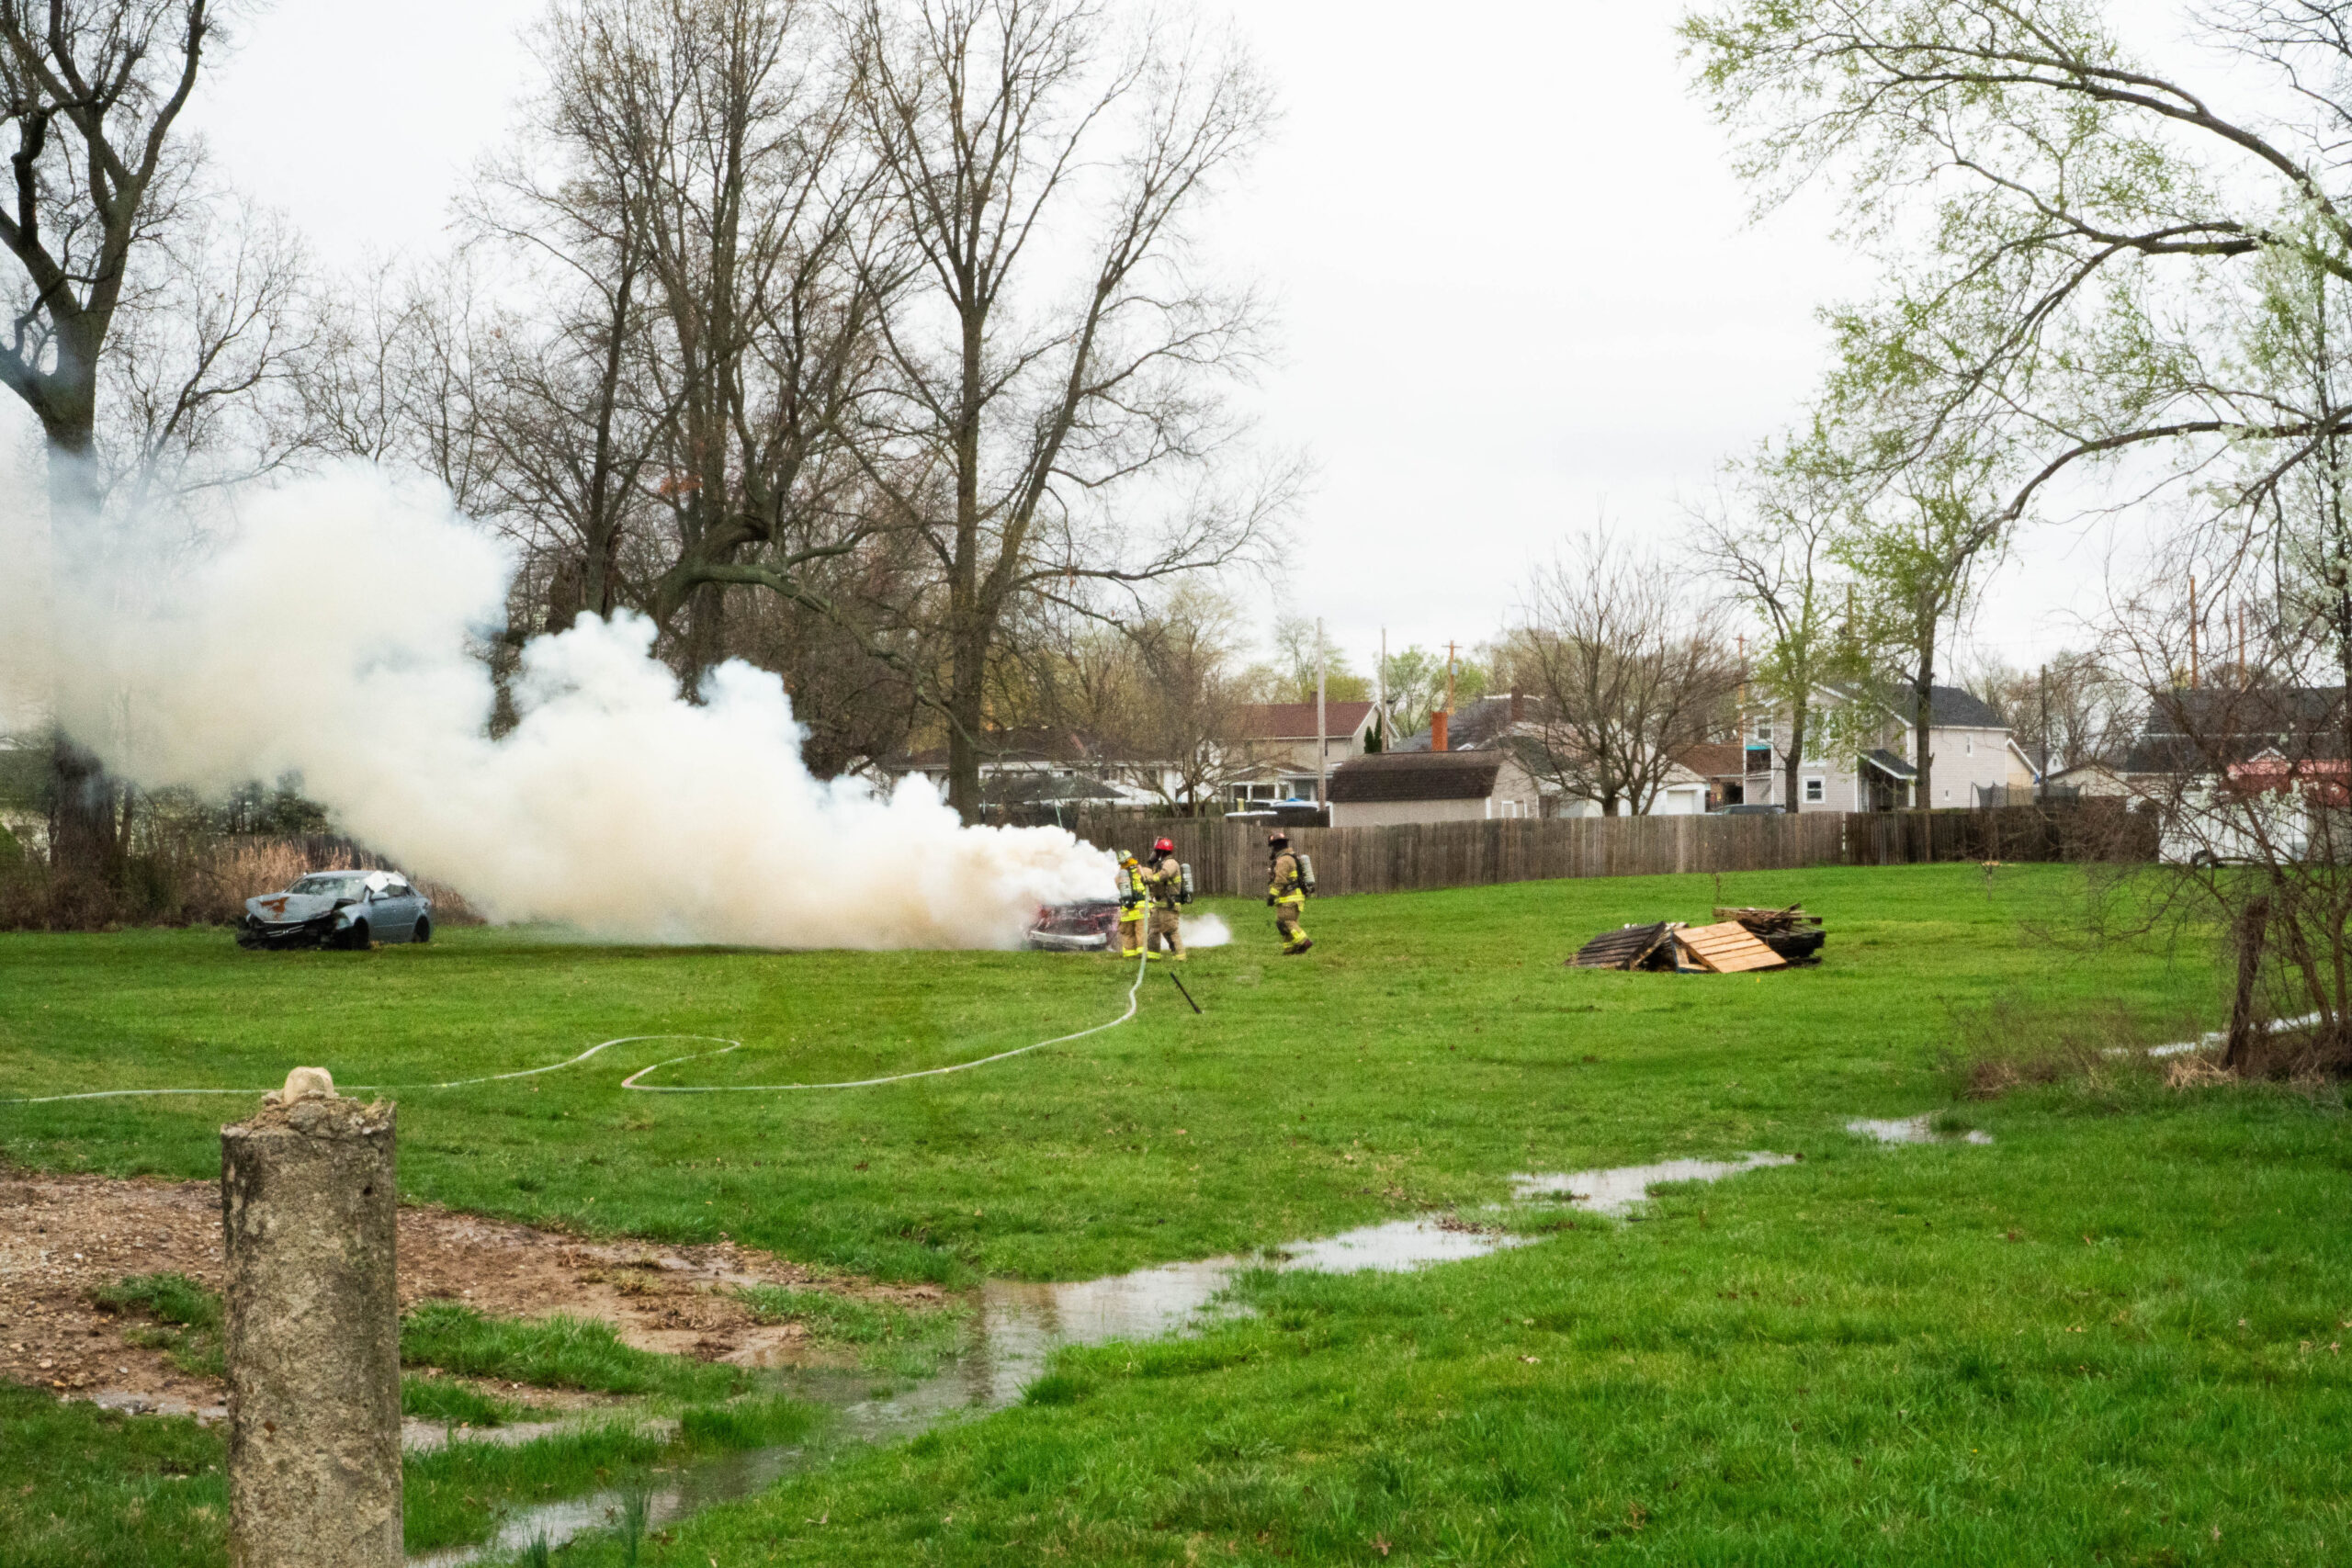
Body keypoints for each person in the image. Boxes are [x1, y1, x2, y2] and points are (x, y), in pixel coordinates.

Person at [1266, 830, 1312, 955]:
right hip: (1295, 897)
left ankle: (1304, 942)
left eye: (1273, 847)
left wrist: (1272, 895)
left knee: (1285, 922)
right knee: (1286, 923)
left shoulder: (1284, 860)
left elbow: (1280, 880)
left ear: (1276, 847)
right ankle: (1289, 949)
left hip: (1289, 898)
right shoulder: (1291, 857)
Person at [1144, 836, 1186, 961]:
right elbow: (1156, 884)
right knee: (1153, 930)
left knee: (1171, 931)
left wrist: (1150, 879)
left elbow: (1164, 875)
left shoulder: (1171, 863)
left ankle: (1180, 958)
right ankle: (1153, 957)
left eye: (1157, 851)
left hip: (1170, 904)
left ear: (1162, 852)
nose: (1154, 854)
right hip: (1159, 905)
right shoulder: (1160, 865)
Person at [1115, 850, 1148, 958]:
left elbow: (1119, 887)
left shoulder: (1119, 877)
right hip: (1140, 909)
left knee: (1128, 933)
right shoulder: (1142, 871)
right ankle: (1141, 954)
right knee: (1141, 932)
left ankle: (1129, 955)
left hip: (1127, 909)